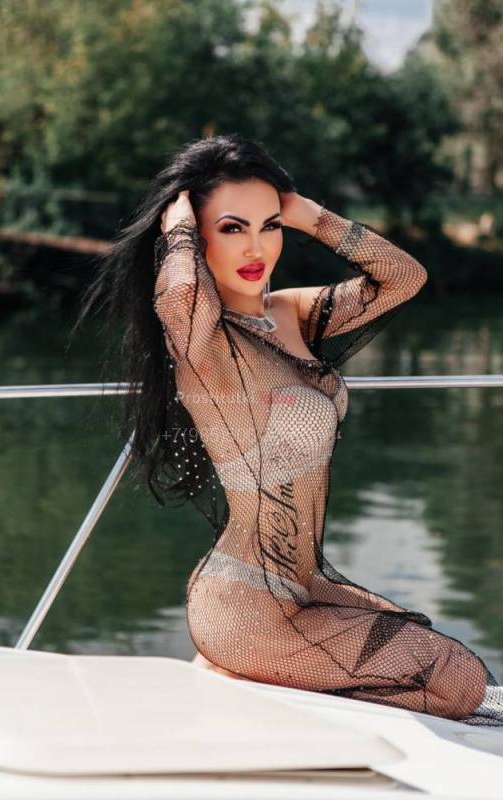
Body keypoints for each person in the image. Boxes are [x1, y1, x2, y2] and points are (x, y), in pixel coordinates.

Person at [73, 133, 503, 726]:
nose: (257, 247)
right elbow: (179, 298)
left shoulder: (290, 313)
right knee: (455, 678)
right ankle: (241, 670)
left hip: (304, 586)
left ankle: (257, 679)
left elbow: (403, 278)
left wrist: (309, 215)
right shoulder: (203, 342)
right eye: (232, 228)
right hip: (245, 603)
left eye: (269, 226)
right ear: (196, 237)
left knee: (429, 648)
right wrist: (177, 225)